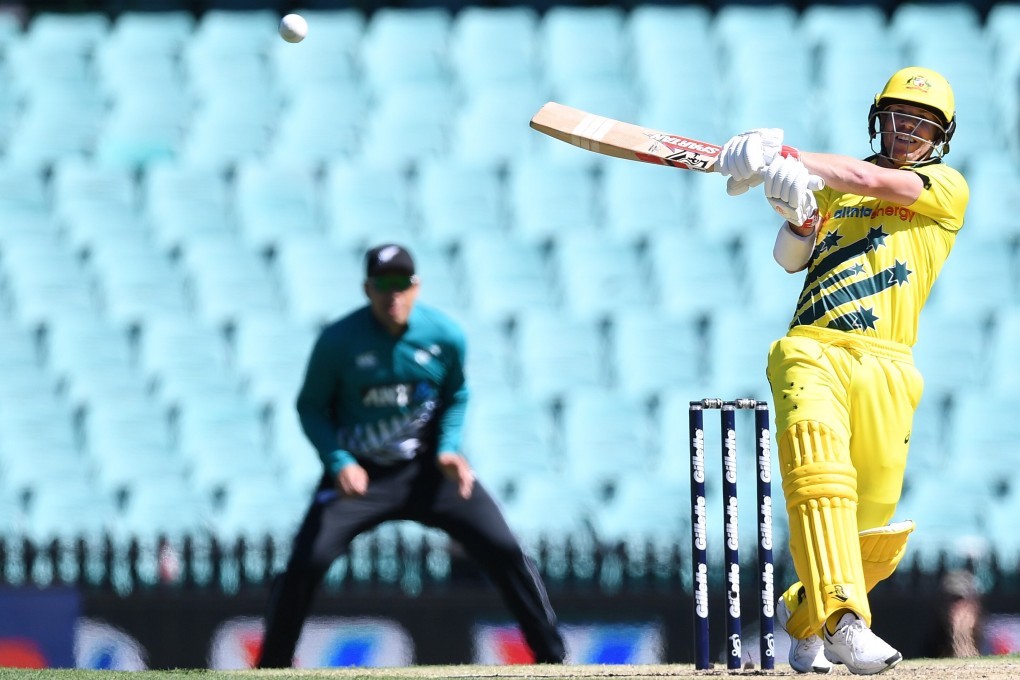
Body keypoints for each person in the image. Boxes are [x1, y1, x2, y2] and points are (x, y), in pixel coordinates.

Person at [716, 66, 969, 674]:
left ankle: (800, 618)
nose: (908, 131)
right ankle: (844, 623)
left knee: (871, 533)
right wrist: (800, 212)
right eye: (899, 118)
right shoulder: (834, 192)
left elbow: (868, 177)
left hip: (889, 364)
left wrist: (789, 155)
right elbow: (788, 258)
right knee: (820, 482)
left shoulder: (945, 188)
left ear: (941, 137)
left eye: (922, 123)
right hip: (814, 348)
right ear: (878, 119)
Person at [257, 243, 566, 667]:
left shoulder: (444, 335)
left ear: (416, 287)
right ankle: (270, 668)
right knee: (307, 561)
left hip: (428, 473)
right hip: (360, 476)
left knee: (504, 549)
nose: (393, 295)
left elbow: (456, 393)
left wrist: (447, 450)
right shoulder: (339, 342)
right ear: (367, 289)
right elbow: (310, 407)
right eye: (383, 285)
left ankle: (555, 660)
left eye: (401, 284)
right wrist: (339, 462)